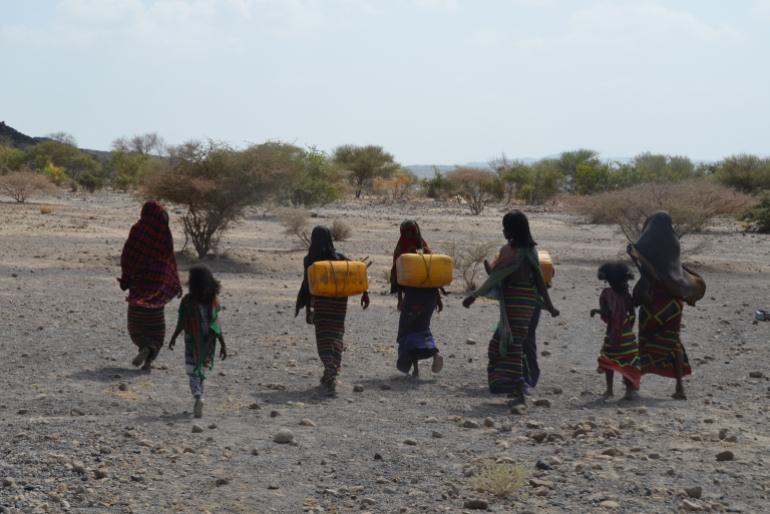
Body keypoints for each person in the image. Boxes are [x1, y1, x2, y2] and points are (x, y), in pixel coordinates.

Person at [463, 211, 559, 408]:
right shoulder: (531, 251)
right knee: (503, 344)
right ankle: (512, 387)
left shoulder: (508, 251)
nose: (503, 230)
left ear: (512, 230)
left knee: (511, 347)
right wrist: (549, 306)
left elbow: (495, 277)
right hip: (527, 303)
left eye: (505, 227)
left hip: (514, 301)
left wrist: (472, 297)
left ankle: (519, 393)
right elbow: (539, 281)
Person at [627, 211, 706, 400]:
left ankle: (632, 384)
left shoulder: (647, 243)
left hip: (652, 299)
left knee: (645, 338)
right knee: (674, 341)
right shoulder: (674, 243)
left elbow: (633, 250)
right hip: (673, 301)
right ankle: (679, 387)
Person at [295, 226, 370, 395]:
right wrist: (365, 294)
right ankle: (332, 371)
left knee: (323, 336)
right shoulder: (340, 257)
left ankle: (329, 371)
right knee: (337, 334)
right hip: (340, 304)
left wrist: (308, 310)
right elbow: (360, 270)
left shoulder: (310, 260)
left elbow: (307, 287)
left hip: (322, 304)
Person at [118, 200, 182, 370]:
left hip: (138, 285)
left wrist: (126, 278)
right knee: (156, 324)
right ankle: (149, 357)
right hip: (157, 288)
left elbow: (127, 255)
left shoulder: (137, 230)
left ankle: (144, 347)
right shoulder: (163, 233)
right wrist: (175, 283)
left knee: (135, 321)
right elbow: (170, 261)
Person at [168, 264, 227, 418]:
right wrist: (223, 344)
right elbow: (216, 324)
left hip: (191, 340)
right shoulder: (213, 301)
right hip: (208, 341)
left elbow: (181, 322)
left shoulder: (187, 301)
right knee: (201, 369)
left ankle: (197, 397)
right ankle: (200, 400)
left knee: (192, 369)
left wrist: (174, 337)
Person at [390, 220, 444, 377]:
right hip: (429, 297)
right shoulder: (425, 248)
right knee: (423, 327)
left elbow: (397, 276)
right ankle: (434, 353)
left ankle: (415, 369)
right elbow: (434, 275)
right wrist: (438, 299)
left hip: (412, 297)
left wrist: (400, 299)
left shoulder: (402, 249)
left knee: (408, 329)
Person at [590, 262, 641, 401]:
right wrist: (628, 328)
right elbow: (633, 315)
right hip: (627, 335)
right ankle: (629, 391)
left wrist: (596, 311)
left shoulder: (607, 295)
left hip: (613, 334)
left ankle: (609, 390)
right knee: (628, 363)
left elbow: (607, 312)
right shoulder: (627, 296)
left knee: (609, 361)